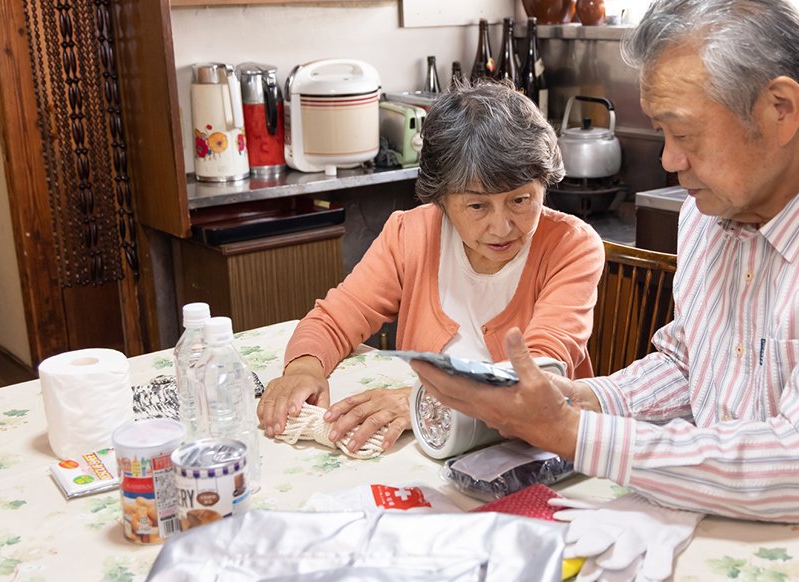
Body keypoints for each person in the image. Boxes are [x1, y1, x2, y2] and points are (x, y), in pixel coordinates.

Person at [411, 0, 799, 581]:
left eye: (684, 134)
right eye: (662, 133)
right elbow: (690, 365)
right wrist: (581, 399)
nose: (668, 159)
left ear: (780, 109)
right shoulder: (714, 210)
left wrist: (572, 431)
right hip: (719, 526)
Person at [258, 79, 604, 455]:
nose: (502, 226)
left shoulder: (572, 247)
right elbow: (337, 318)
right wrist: (304, 369)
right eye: (477, 206)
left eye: (521, 200)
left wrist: (422, 401)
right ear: (441, 200)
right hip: (431, 445)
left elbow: (539, 376)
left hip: (533, 450)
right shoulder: (411, 233)